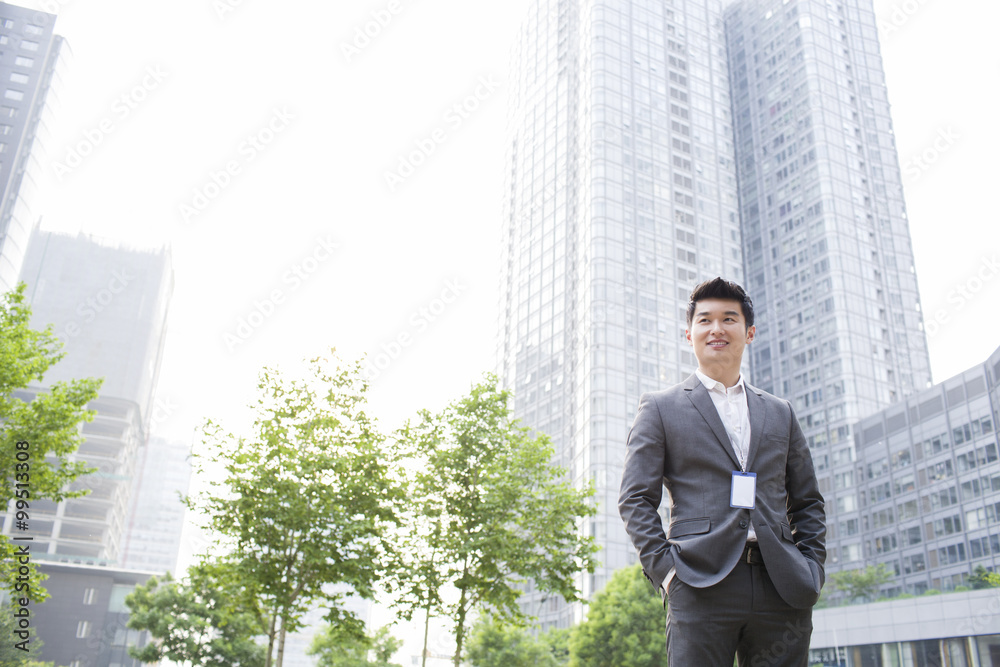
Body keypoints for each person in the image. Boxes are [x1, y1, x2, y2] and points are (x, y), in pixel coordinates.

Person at [618, 277, 825, 666]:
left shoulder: (780, 412)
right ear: (689, 333)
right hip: (699, 582)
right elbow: (635, 499)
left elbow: (808, 500)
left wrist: (811, 567)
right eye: (705, 320)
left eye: (729, 319)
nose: (717, 329)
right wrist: (667, 572)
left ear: (749, 332)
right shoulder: (660, 408)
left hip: (781, 584)